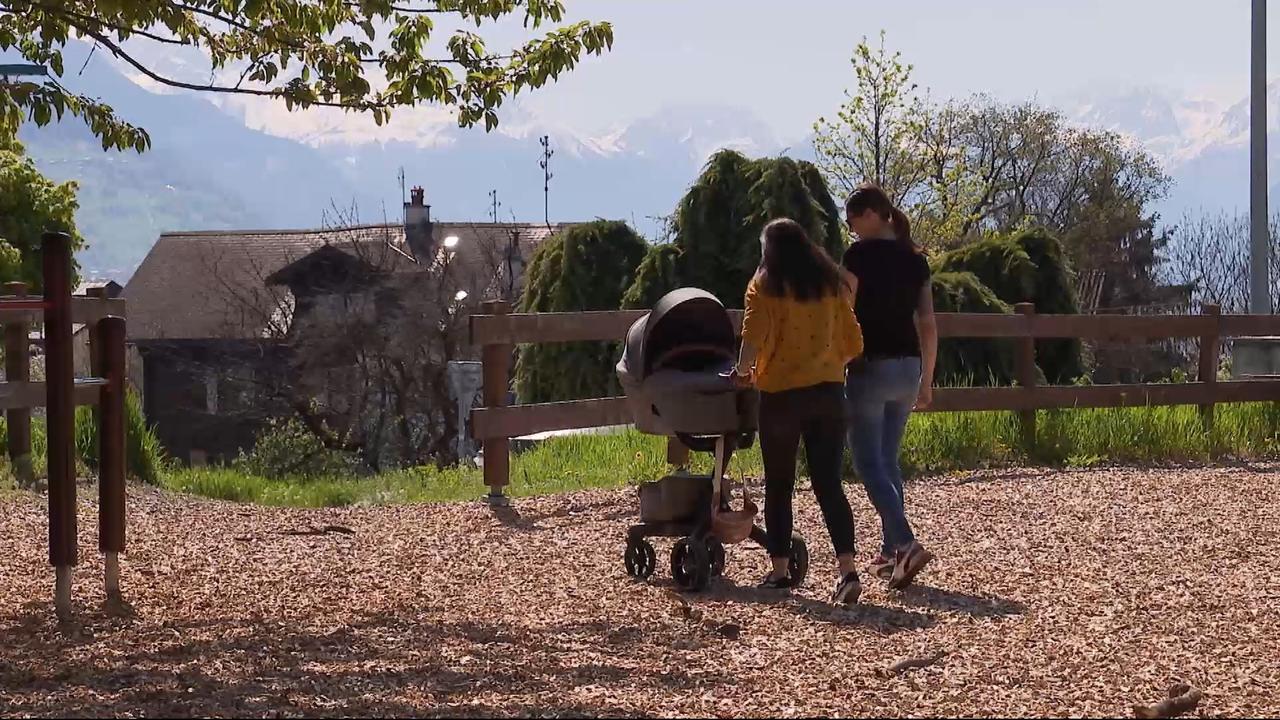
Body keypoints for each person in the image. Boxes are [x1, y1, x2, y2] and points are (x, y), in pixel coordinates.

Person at [733, 217, 865, 604]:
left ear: (768, 251)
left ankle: (779, 570)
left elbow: (751, 337)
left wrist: (744, 374)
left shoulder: (763, 287)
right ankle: (847, 571)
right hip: (827, 393)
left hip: (781, 397)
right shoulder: (829, 286)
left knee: (779, 484)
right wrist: (825, 361)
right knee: (829, 484)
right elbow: (854, 340)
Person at [841, 183, 937, 590]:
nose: (850, 229)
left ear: (869, 215)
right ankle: (890, 554)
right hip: (909, 367)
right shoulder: (916, 260)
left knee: (867, 463)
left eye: (851, 221)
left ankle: (904, 540)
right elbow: (929, 324)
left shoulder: (857, 256)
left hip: (871, 367)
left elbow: (842, 313)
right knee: (888, 459)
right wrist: (927, 379)